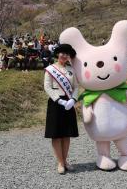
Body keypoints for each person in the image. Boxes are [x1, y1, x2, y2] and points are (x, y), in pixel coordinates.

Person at [44, 44, 79, 174]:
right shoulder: (50, 69)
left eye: (66, 53)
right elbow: (47, 87)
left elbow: (76, 86)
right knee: (56, 134)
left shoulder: (71, 70)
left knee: (66, 134)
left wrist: (73, 100)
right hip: (56, 104)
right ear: (57, 54)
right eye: (62, 53)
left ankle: (65, 161)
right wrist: (59, 100)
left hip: (69, 102)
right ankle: (60, 162)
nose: (64, 55)